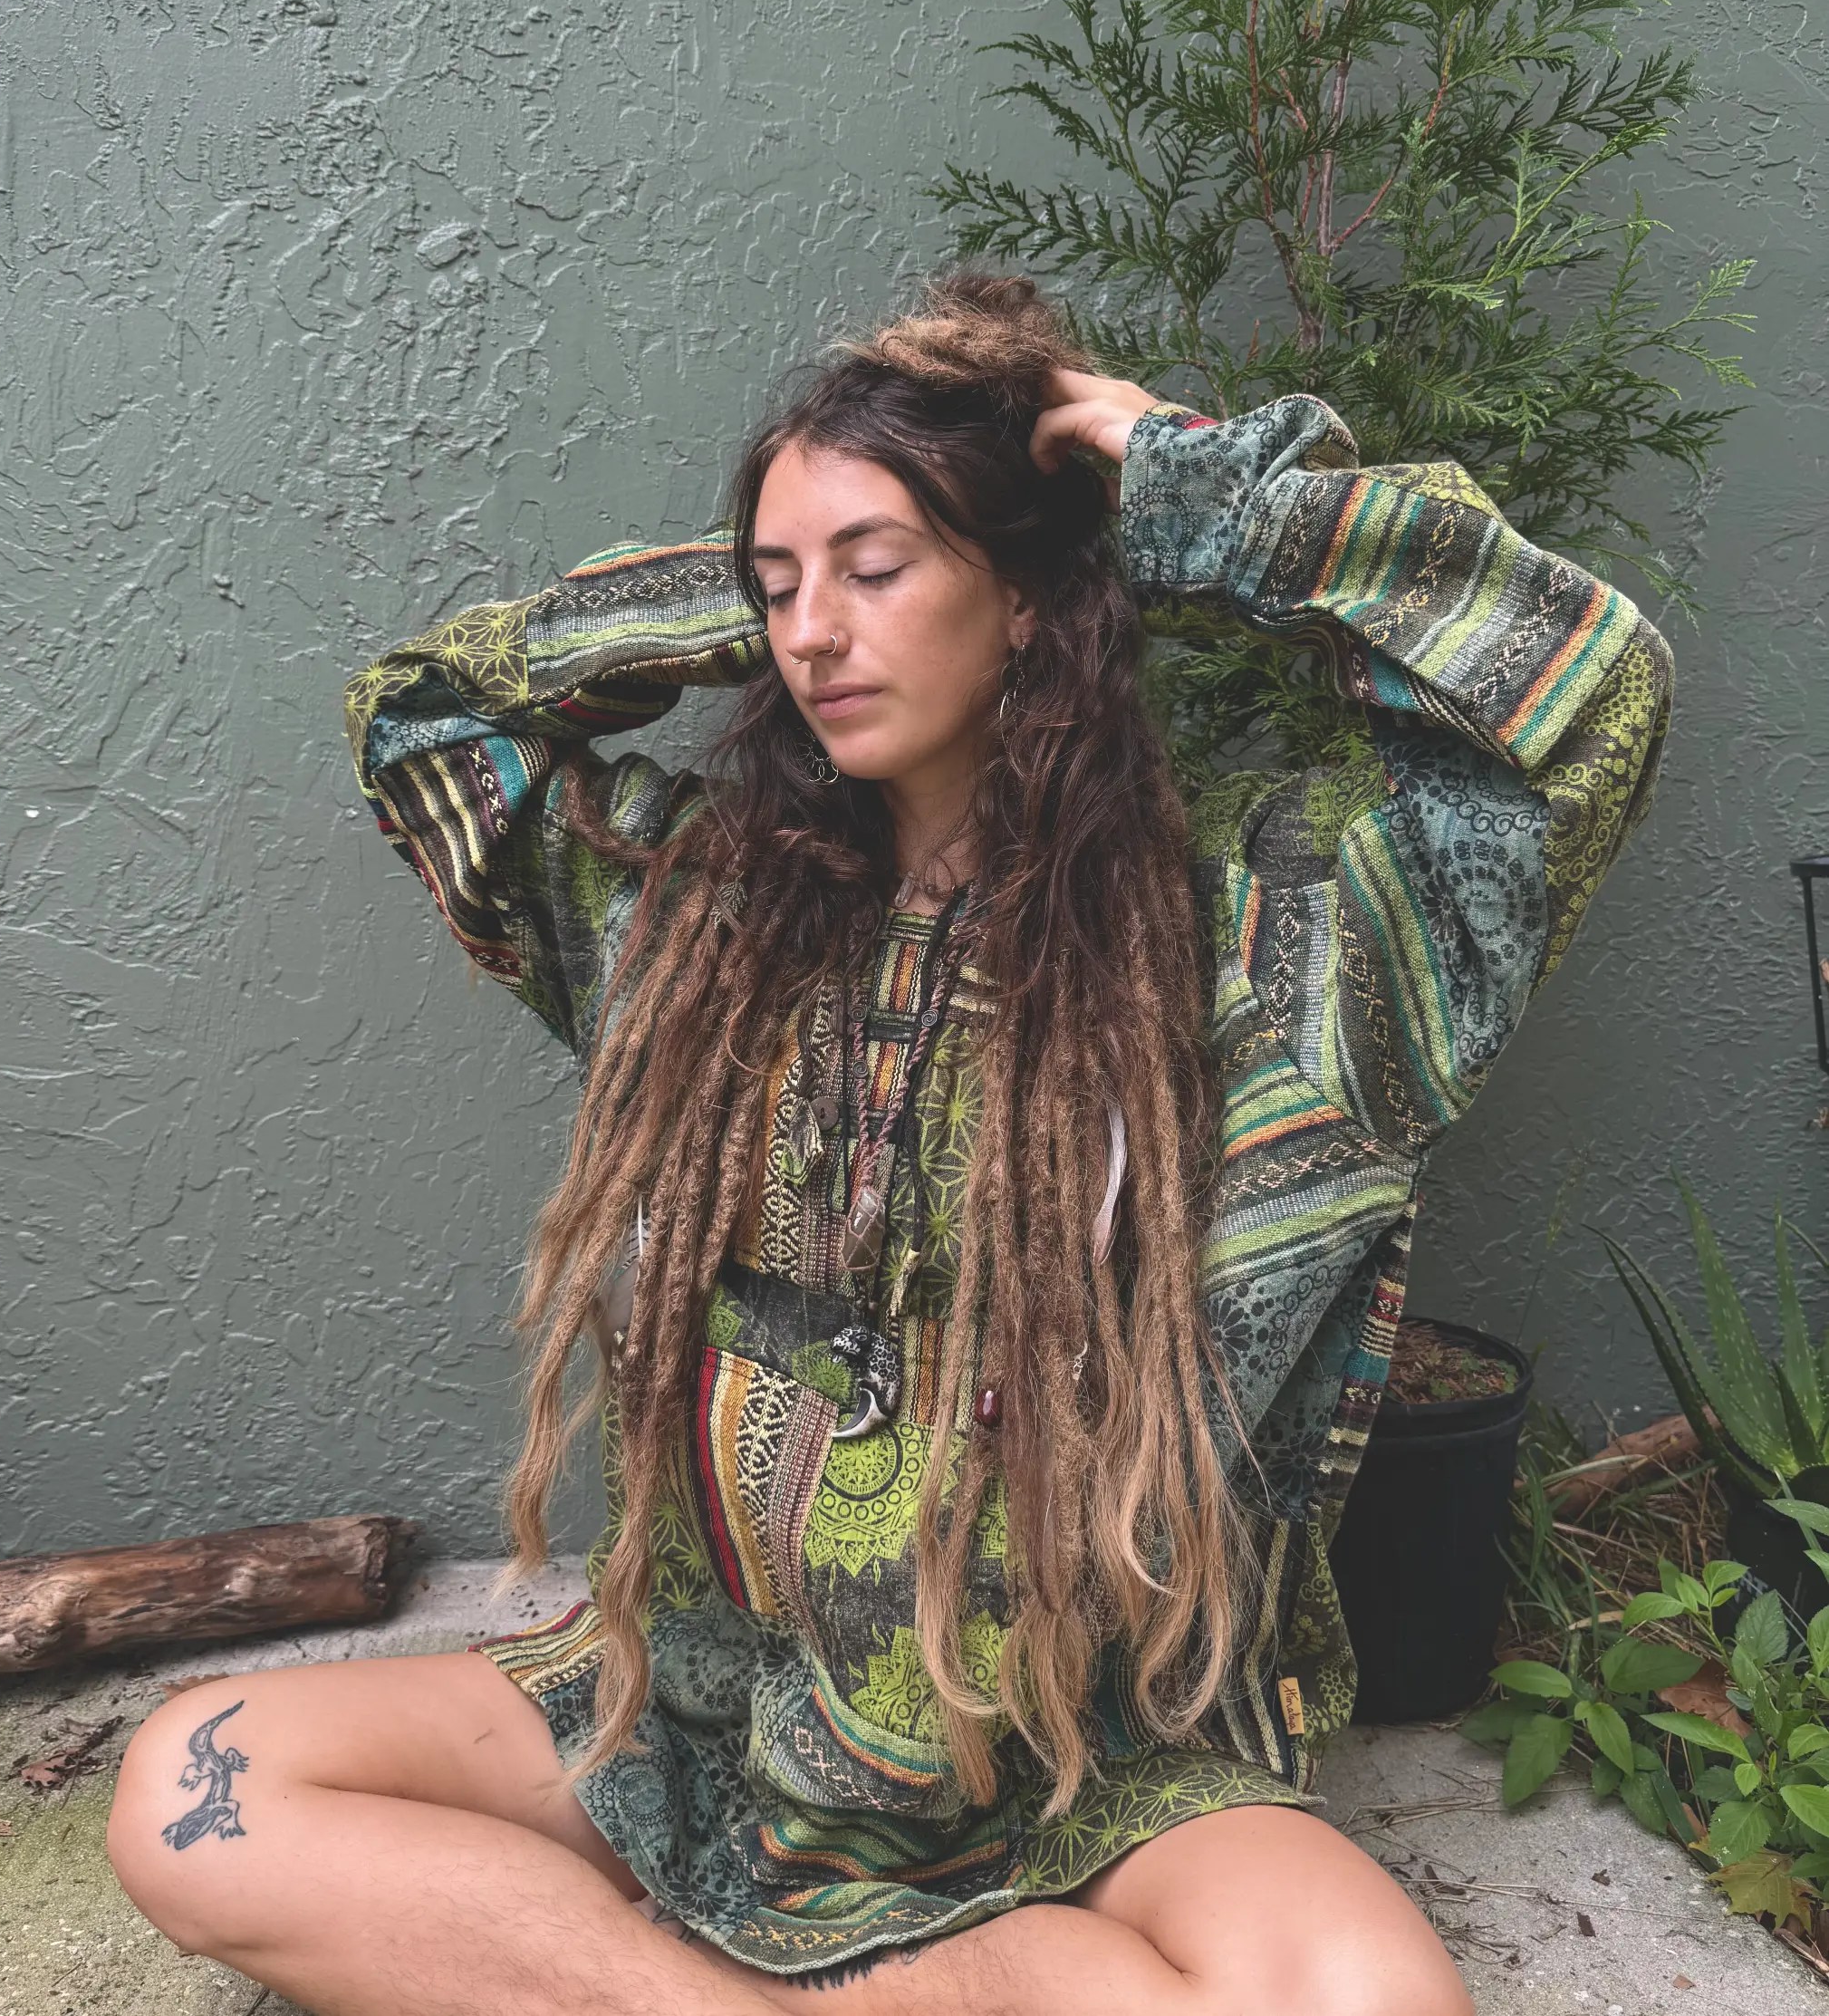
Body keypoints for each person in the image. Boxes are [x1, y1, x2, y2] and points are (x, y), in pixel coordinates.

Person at [107, 267, 1673, 2015]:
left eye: (875, 569)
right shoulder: (695, 922)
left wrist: (1193, 496)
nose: (810, 635)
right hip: (704, 1702)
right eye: (778, 588)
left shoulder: (1273, 938)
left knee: (1365, 2000)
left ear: (1029, 597)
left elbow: (1581, 698)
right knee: (198, 1792)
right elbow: (422, 719)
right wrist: (768, 569)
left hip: (1093, 1756)